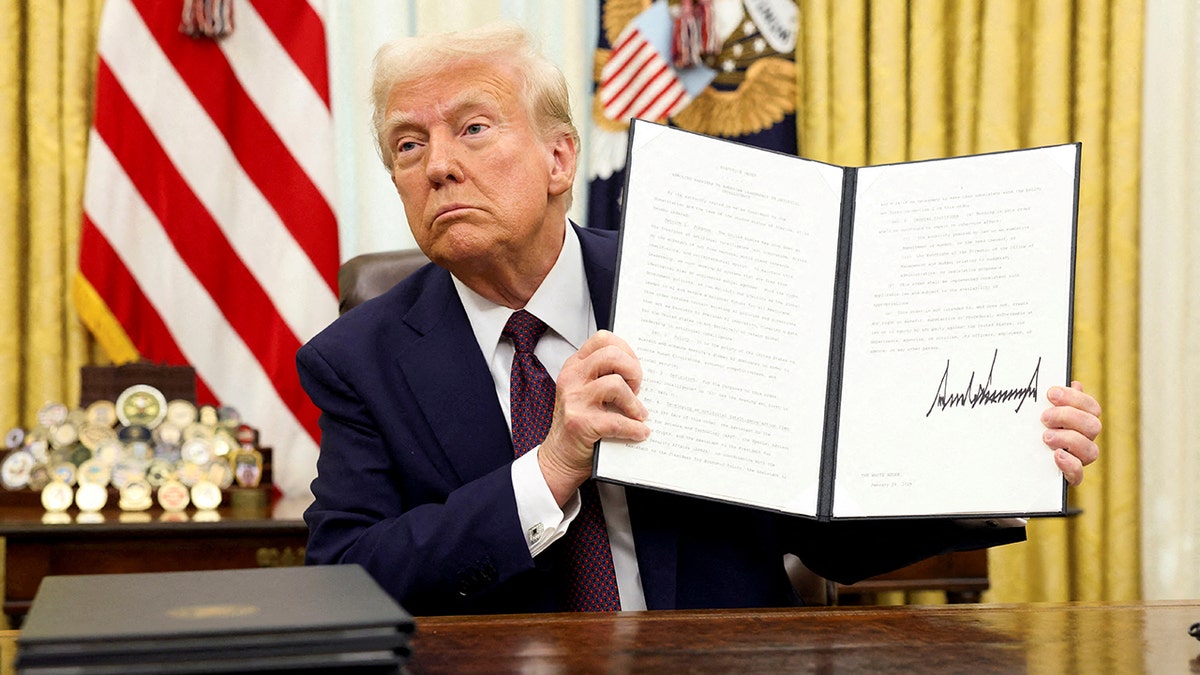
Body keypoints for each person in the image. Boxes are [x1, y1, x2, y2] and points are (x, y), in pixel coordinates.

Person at [298, 23, 1102, 616]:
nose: (438, 165)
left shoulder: (703, 279)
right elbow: (347, 578)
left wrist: (999, 463)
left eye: (472, 127)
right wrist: (548, 471)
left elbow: (827, 527)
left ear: (559, 158)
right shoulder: (358, 358)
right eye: (408, 145)